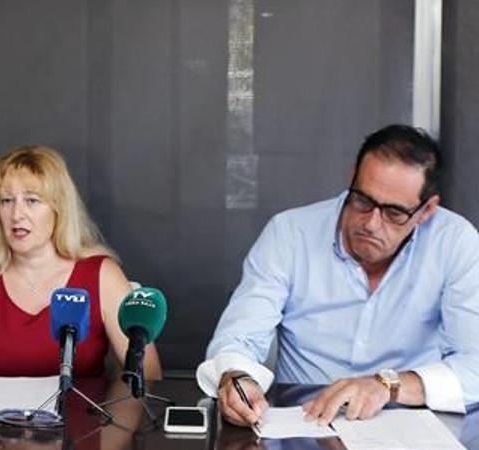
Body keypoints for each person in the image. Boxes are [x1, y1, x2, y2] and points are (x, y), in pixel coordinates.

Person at [197, 124, 479, 428]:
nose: (371, 223)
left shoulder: (455, 243)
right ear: (351, 180)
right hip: (304, 426)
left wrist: (387, 386)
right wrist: (236, 377)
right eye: (363, 200)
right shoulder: (290, 234)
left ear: (426, 211)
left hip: (408, 430)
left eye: (394, 213)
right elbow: (239, 337)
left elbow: (474, 364)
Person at [0, 145, 162, 378]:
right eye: (6, 201)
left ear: (58, 208)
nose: (17, 214)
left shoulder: (102, 275)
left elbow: (148, 376)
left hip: (81, 426)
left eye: (32, 200)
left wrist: (113, 428)